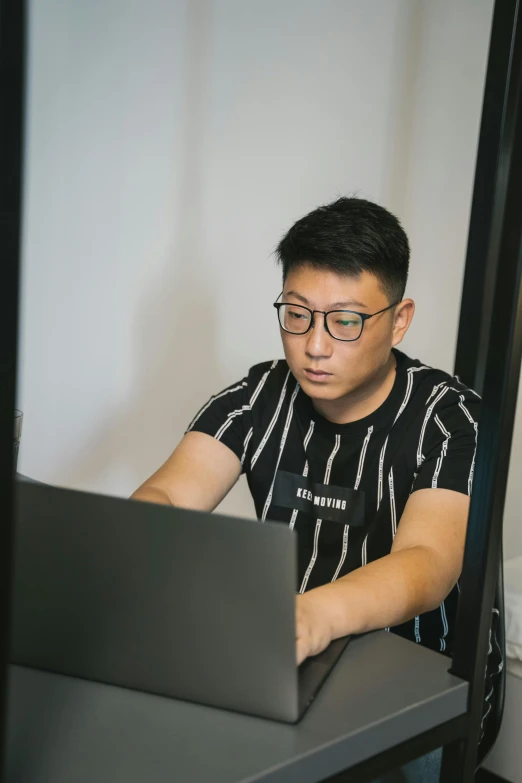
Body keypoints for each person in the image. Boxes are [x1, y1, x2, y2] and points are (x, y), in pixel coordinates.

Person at [132, 197, 496, 781]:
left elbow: (427, 563)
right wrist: (138, 537)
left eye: (345, 321)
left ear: (399, 320)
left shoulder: (451, 420)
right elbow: (170, 498)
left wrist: (313, 615)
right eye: (297, 314)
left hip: (421, 675)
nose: (315, 345)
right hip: (288, 652)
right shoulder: (259, 399)